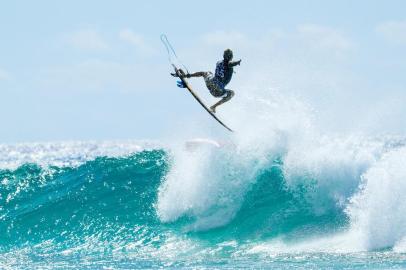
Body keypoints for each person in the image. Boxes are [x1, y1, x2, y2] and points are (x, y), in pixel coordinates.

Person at [172, 49, 241, 113]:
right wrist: (237, 62)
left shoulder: (219, 62)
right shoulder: (229, 64)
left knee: (205, 73)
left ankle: (187, 75)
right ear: (231, 57)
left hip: (210, 82)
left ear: (223, 56)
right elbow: (230, 63)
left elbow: (227, 64)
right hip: (218, 90)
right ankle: (213, 107)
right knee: (231, 93)